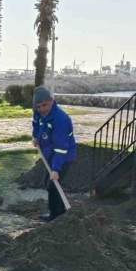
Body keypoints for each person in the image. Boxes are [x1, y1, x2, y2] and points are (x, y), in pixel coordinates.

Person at [31, 86, 77, 222]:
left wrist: (56, 169)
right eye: (38, 107)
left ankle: (54, 216)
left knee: (52, 186)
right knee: (48, 183)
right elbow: (36, 123)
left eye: (44, 105)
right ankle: (61, 211)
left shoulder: (61, 119)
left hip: (64, 157)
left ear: (51, 101)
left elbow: (61, 148)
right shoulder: (39, 113)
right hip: (50, 154)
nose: (41, 109)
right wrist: (35, 136)